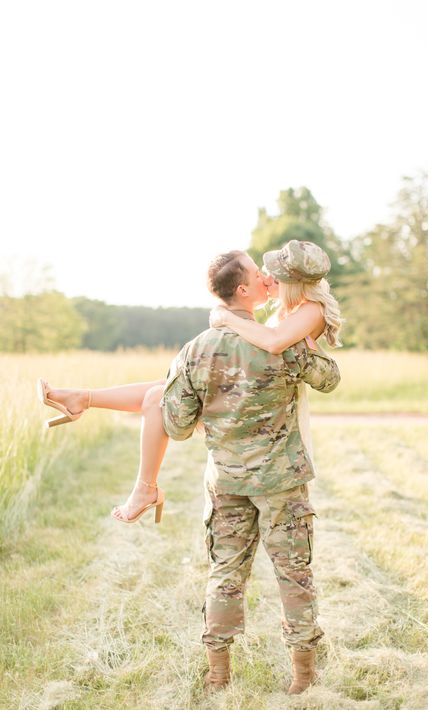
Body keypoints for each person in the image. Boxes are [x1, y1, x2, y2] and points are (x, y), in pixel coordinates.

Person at [38, 241, 341, 530]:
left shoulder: (310, 309)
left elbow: (274, 342)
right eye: (261, 271)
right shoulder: (286, 311)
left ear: (293, 281)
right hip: (253, 405)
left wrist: (226, 317)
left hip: (274, 421)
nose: (266, 275)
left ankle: (142, 483)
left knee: (160, 393)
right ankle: (84, 399)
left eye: (273, 273)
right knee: (163, 390)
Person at [160, 241, 341, 695]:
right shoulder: (284, 342)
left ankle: (219, 674)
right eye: (256, 274)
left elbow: (177, 426)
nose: (266, 278)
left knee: (225, 575)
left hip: (227, 481)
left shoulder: (195, 350)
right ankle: (303, 678)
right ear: (243, 291)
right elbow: (328, 381)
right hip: (282, 480)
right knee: (294, 576)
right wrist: (314, 347)